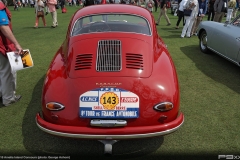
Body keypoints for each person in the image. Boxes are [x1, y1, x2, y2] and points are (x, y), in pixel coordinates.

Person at [0, 0, 23, 106]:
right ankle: (8, 98)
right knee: (7, 71)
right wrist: (16, 44)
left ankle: (4, 93)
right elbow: (3, 26)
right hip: (2, 45)